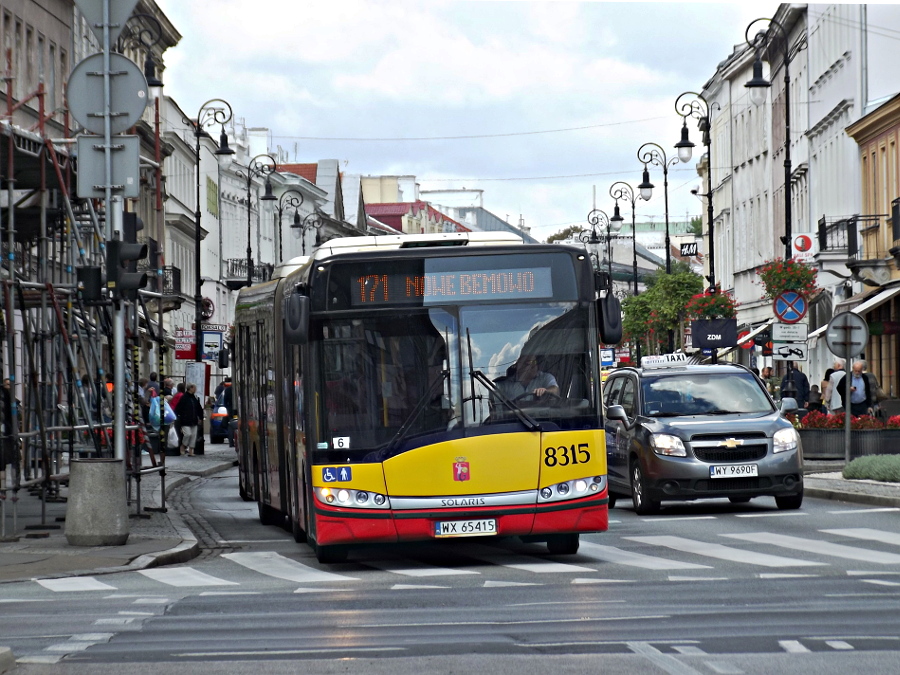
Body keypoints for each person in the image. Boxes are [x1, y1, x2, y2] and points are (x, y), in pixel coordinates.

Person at [174, 383, 204, 456]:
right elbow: (178, 408)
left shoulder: (194, 398)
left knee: (193, 436)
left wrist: (200, 417)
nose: (196, 389)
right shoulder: (184, 397)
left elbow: (199, 408)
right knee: (188, 434)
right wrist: (177, 417)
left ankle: (191, 451)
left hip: (194, 420)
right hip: (185, 420)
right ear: (191, 388)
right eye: (194, 388)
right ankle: (183, 446)